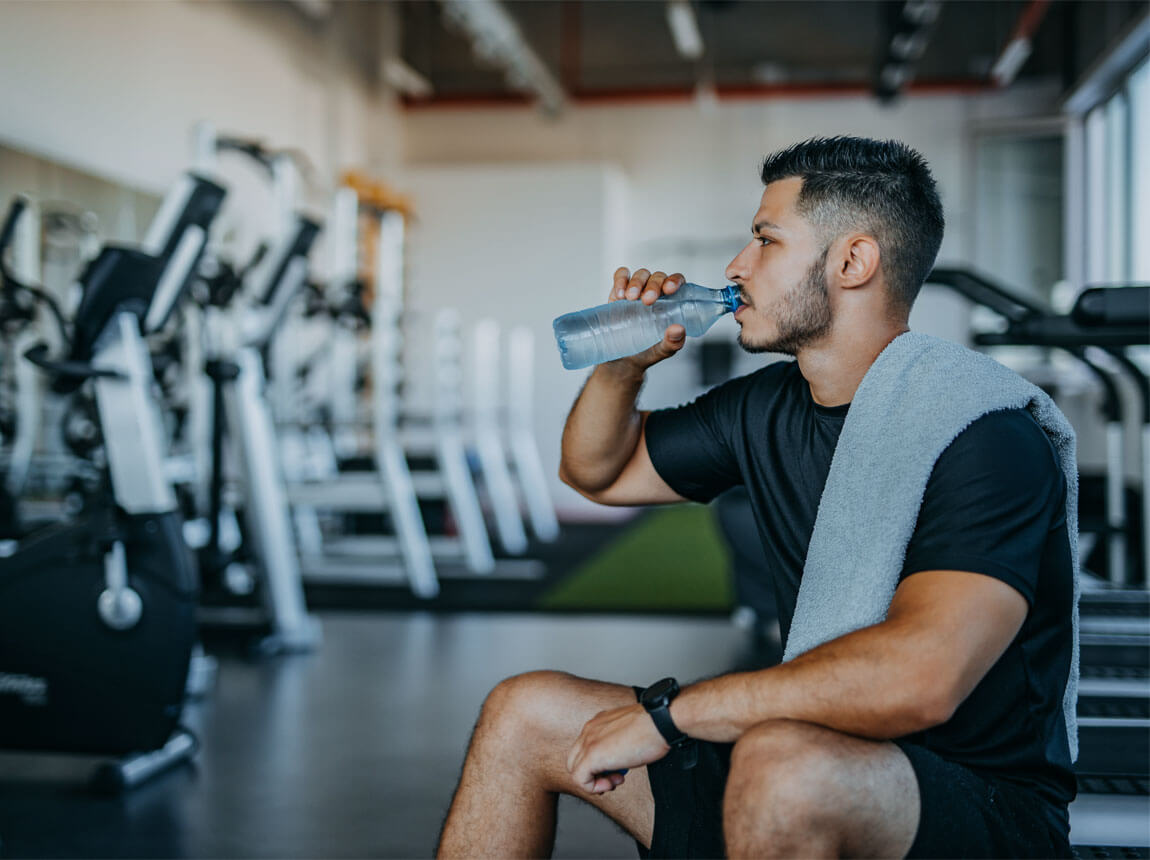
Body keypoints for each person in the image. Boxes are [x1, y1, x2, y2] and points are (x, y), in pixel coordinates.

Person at [436, 137, 1076, 859]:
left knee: (783, 766)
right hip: (801, 754)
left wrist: (675, 716)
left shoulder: (982, 433)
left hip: (975, 805)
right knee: (525, 712)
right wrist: (623, 368)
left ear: (852, 262)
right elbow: (598, 472)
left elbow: (921, 678)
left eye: (766, 240)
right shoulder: (765, 407)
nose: (737, 267)